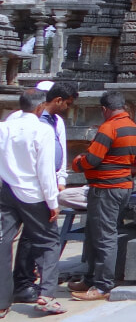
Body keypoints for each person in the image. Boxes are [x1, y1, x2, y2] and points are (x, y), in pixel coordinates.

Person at [69, 91, 136, 301]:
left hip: (106, 189)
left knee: (104, 237)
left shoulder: (108, 127)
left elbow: (92, 159)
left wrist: (77, 162)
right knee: (95, 234)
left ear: (105, 109)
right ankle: (90, 279)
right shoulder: (133, 127)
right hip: (121, 186)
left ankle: (103, 286)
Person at [11, 81, 78, 307]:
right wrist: (51, 200)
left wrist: (61, 179)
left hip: (40, 185)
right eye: (66, 104)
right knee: (38, 238)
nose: (66, 108)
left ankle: (27, 282)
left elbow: (61, 151)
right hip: (27, 187)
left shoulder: (56, 122)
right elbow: (39, 165)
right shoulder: (23, 123)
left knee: (31, 238)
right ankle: (27, 284)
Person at [0, 89, 65, 315]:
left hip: (7, 190)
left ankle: (1, 302)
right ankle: (46, 295)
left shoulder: (5, 126)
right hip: (34, 194)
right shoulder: (42, 130)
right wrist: (52, 201)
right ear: (40, 108)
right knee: (48, 242)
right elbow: (45, 170)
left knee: (3, 242)